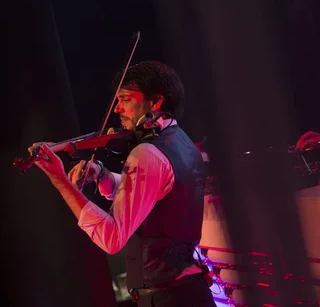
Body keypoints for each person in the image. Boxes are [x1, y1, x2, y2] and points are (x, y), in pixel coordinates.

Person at [29, 60, 216, 307]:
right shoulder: (184, 144)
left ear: (156, 102)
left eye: (125, 99)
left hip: (166, 298)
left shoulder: (148, 152)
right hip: (191, 291)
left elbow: (112, 237)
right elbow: (154, 194)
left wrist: (60, 179)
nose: (117, 109)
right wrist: (103, 175)